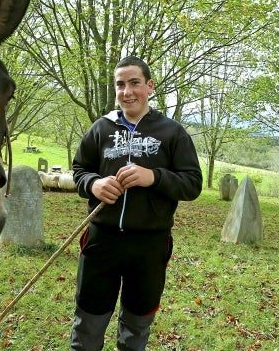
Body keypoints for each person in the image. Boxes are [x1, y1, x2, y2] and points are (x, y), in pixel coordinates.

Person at [69, 56, 202, 350]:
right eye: (120, 85)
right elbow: (78, 170)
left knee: (137, 324)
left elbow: (193, 184)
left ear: (149, 86)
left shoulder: (172, 132)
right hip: (101, 242)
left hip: (149, 246)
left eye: (134, 83)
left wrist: (153, 177)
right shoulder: (101, 128)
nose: (127, 92)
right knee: (88, 321)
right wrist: (94, 184)